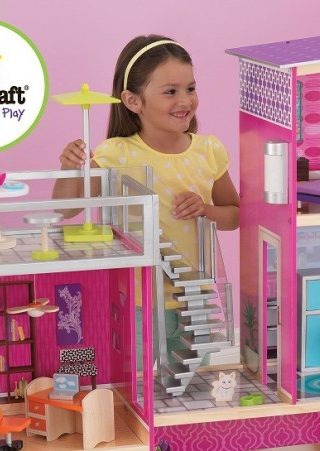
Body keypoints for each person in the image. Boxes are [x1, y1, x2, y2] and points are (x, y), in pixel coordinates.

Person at [54, 35, 240, 360]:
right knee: (136, 380)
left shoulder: (209, 150)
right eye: (170, 91)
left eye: (190, 88)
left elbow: (235, 215)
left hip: (195, 298)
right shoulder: (116, 153)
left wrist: (206, 210)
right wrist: (69, 168)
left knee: (195, 382)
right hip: (138, 302)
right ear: (133, 101)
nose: (185, 100)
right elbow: (67, 209)